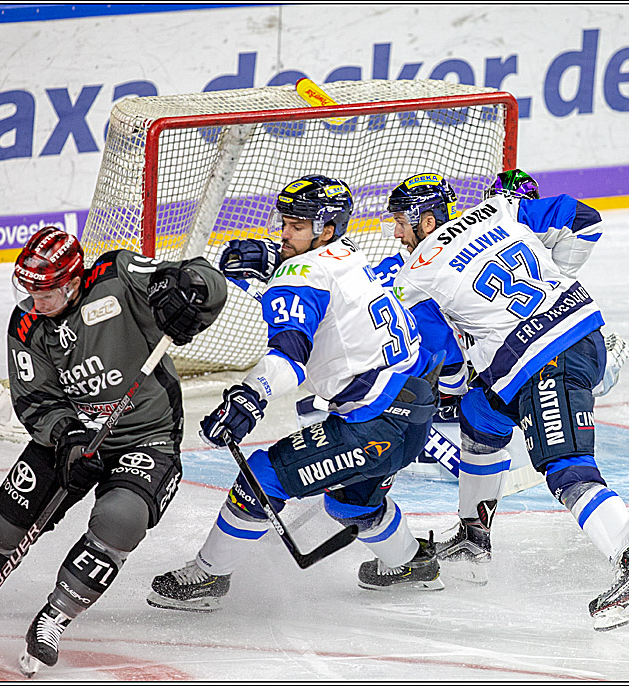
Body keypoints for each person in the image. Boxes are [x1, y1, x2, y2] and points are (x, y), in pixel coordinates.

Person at [0, 227, 228, 674]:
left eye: (44, 292)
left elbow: (201, 277)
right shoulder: (27, 324)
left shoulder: (117, 276)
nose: (34, 301)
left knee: (121, 518)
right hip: (77, 434)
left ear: (71, 282)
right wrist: (67, 437)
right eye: (29, 290)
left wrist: (191, 292)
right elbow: (34, 399)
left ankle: (56, 616)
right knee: (16, 502)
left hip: (147, 436)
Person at [382, 171, 629, 631]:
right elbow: (583, 216)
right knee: (479, 416)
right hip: (563, 342)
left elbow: (409, 328)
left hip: (546, 361)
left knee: (568, 469)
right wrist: (559, 282)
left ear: (425, 217)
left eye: (399, 221)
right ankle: (474, 537)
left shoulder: (418, 271)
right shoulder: (498, 209)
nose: (395, 232)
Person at [147, 174, 443, 613]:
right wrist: (271, 270)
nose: (284, 233)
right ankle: (411, 563)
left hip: (374, 424)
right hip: (414, 411)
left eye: (297, 226)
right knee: (351, 504)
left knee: (261, 477)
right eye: (284, 222)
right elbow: (324, 298)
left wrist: (250, 397)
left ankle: (207, 576)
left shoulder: (301, 275)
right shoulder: (352, 257)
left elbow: (288, 360)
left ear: (324, 231)